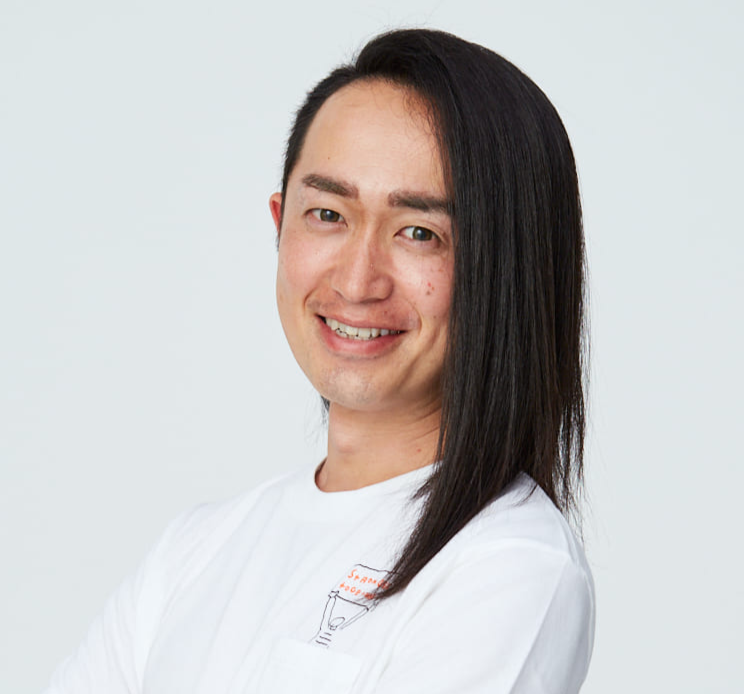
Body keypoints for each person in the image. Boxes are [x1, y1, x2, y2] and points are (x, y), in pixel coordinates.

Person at [45, 28, 594, 693]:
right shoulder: (194, 550)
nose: (358, 280)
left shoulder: (510, 566)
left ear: (507, 266)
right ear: (280, 223)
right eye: (328, 215)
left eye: (419, 232)